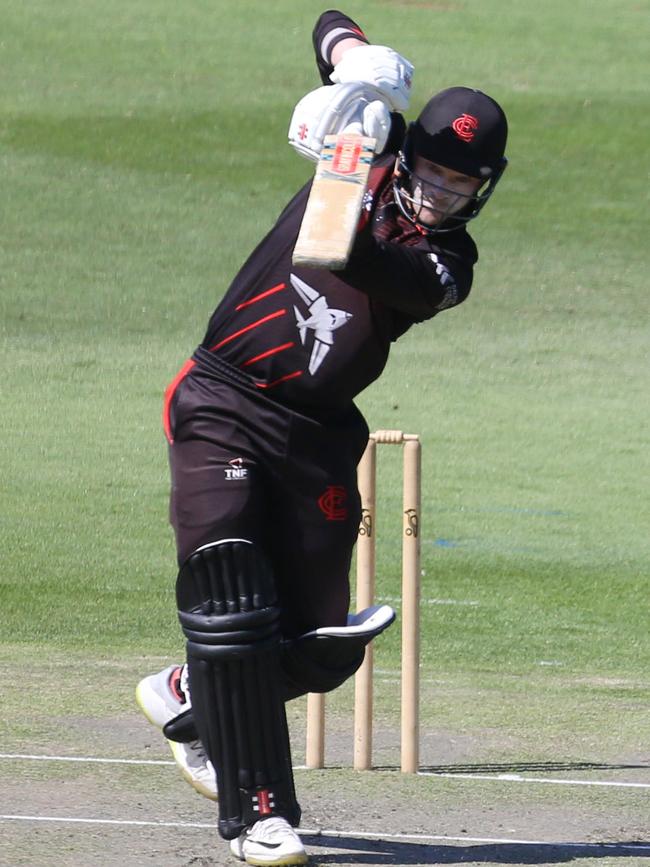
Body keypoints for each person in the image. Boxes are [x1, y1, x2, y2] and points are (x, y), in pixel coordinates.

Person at [136, 9, 508, 866]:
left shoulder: (450, 267)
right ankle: (260, 815)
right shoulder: (376, 151)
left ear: (483, 190)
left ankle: (193, 691)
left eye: (463, 185)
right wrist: (360, 77)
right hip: (222, 399)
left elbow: (346, 255)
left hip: (318, 436)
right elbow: (331, 22)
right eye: (435, 174)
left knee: (315, 647)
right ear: (412, 154)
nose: (443, 193)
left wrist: (346, 149)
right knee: (231, 592)